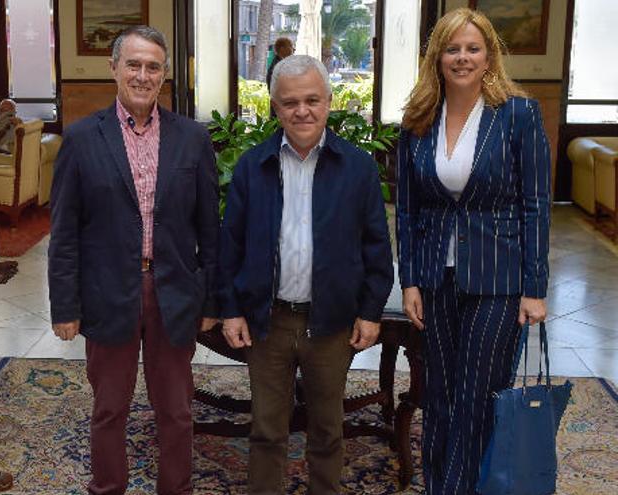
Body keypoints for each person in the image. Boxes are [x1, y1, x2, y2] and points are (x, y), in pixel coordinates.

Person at [47, 25, 219, 495]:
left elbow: (210, 229)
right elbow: (63, 233)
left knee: (177, 410)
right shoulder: (82, 139)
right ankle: (107, 488)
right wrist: (65, 306)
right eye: (134, 65)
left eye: (153, 67)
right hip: (107, 294)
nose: (143, 75)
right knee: (109, 410)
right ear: (114, 69)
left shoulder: (192, 139)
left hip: (174, 294)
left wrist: (212, 298)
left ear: (164, 74)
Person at [219, 54, 393, 494]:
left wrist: (371, 311)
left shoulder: (357, 168)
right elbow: (230, 247)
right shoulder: (252, 166)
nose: (302, 111)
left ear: (329, 102)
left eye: (312, 100)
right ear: (274, 108)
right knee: (266, 429)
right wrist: (231, 309)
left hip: (330, 324)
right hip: (268, 322)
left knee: (328, 429)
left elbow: (377, 247)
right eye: (290, 102)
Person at [396, 8, 550, 495]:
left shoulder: (519, 114)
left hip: (498, 281)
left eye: (472, 48)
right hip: (436, 279)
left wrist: (535, 288)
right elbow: (407, 209)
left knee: (479, 396)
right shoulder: (418, 118)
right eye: (451, 48)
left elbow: (536, 206)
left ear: (489, 56)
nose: (462, 57)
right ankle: (438, 484)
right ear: (437, 57)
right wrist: (411, 280)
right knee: (438, 394)